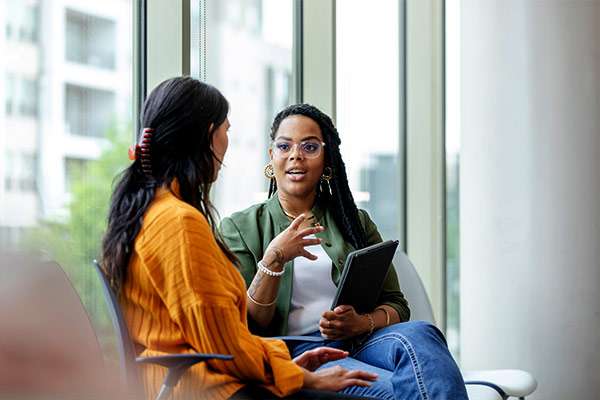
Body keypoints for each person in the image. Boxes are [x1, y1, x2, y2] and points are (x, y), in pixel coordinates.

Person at [100, 78, 378, 400]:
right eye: (227, 130)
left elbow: (221, 337)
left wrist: (284, 364)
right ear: (209, 136)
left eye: (310, 147)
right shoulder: (178, 224)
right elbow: (221, 343)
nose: (228, 142)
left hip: (199, 377)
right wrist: (298, 376)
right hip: (206, 387)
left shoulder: (153, 212)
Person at [219, 103, 469, 400]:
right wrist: (274, 258)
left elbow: (397, 305)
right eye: (284, 146)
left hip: (366, 340)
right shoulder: (239, 227)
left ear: (327, 161)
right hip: (301, 349)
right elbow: (249, 323)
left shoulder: (354, 221)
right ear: (271, 157)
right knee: (398, 391)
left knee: (423, 335)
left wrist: (361, 323)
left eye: (310, 146)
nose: (296, 155)